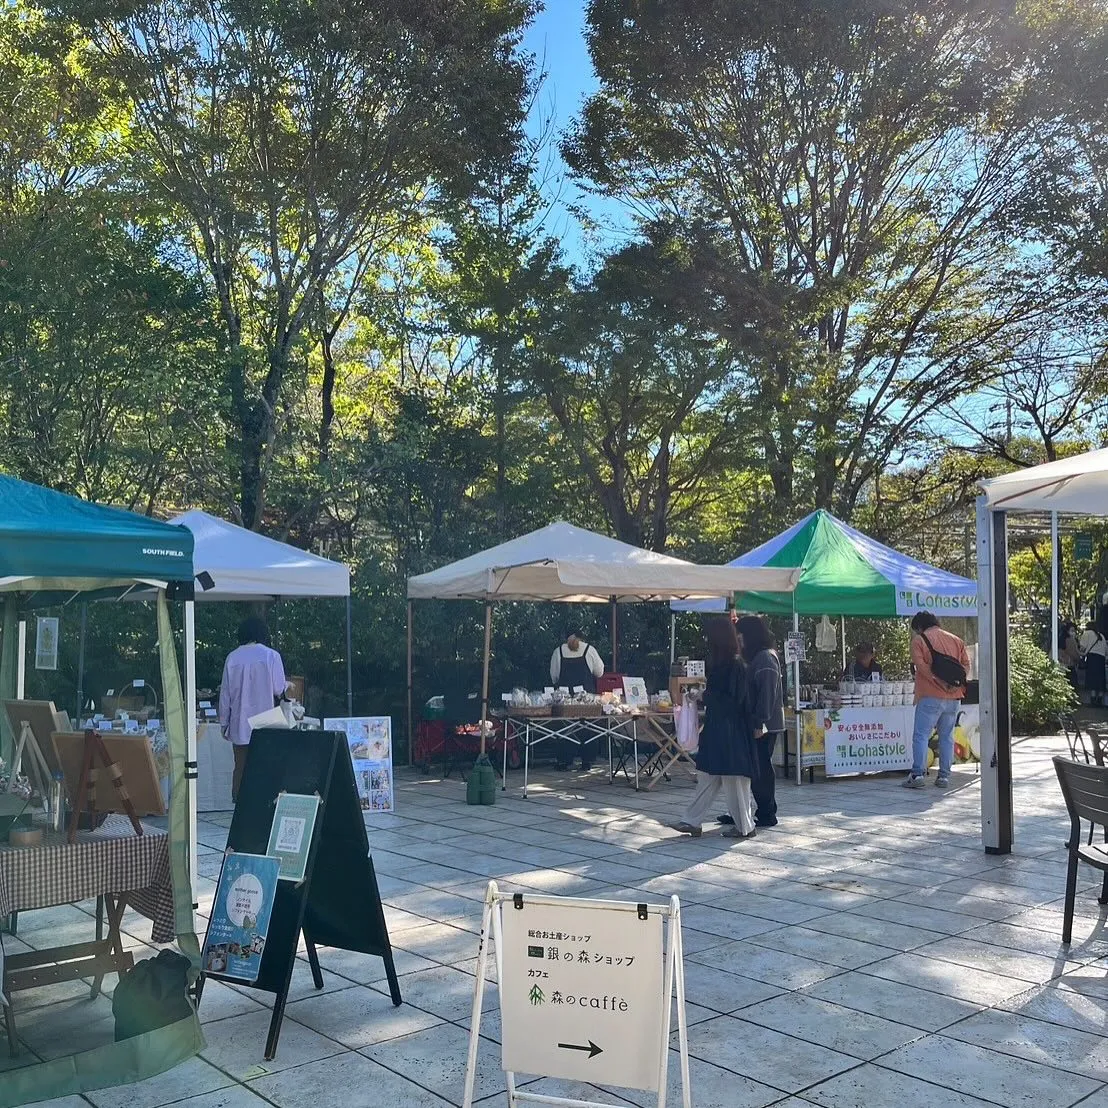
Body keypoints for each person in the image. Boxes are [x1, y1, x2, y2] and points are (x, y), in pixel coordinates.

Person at [671, 617, 758, 839]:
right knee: (709, 776)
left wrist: (704, 695)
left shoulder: (736, 665)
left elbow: (733, 700)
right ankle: (692, 821)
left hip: (732, 731)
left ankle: (745, 826)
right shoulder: (724, 663)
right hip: (719, 729)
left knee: (733, 779)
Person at [218, 616, 287, 802]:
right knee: (265, 765)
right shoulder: (271, 656)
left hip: (239, 721)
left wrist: (223, 723)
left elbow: (225, 694)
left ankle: (240, 802)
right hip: (266, 721)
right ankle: (264, 801)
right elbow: (278, 689)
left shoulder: (232, 657)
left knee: (240, 765)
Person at [904, 612, 970, 789]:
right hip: (954, 697)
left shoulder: (919, 641)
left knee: (921, 735)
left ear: (919, 627)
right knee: (947, 736)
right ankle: (944, 777)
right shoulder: (956, 640)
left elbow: (922, 667)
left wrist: (938, 682)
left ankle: (917, 775)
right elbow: (965, 666)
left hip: (930, 696)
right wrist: (954, 685)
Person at [550, 629, 605, 771]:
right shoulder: (589, 650)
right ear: (582, 638)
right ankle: (588, 760)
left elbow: (554, 676)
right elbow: (599, 672)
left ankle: (564, 760)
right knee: (589, 726)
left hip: (565, 699)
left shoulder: (558, 652)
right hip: (586, 699)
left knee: (565, 728)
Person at [1080, 622, 1107, 707]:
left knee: (1092, 678)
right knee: (1100, 679)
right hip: (1101, 658)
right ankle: (1099, 699)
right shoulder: (1101, 636)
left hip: (1092, 658)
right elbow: (1106, 650)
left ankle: (1092, 699)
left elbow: (1083, 647)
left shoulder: (1087, 633)